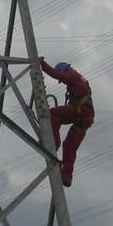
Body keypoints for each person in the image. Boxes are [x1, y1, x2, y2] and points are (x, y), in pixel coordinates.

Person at [40, 58, 95, 187]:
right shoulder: (79, 79)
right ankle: (66, 176)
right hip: (86, 118)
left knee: (53, 113)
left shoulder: (73, 76)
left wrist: (42, 64)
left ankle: (54, 142)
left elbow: (57, 74)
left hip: (81, 112)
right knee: (70, 146)